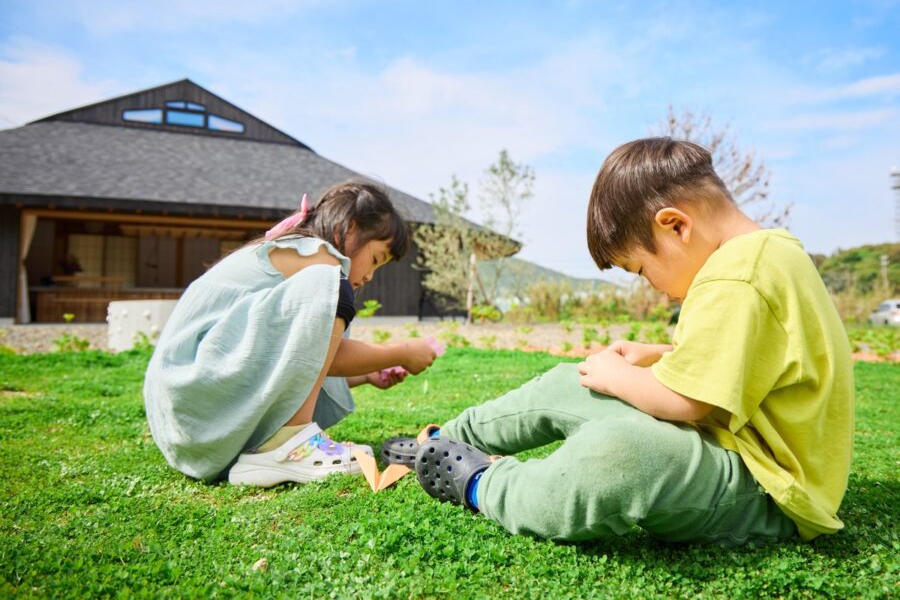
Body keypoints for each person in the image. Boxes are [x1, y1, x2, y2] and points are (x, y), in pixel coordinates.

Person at [406, 137, 853, 546]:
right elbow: (756, 359)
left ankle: (481, 482)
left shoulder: (736, 276)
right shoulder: (761, 255)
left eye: (641, 270)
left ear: (675, 225)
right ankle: (444, 439)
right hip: (734, 442)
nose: (652, 286)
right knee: (579, 379)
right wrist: (658, 355)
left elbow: (688, 402)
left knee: (620, 455)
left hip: (768, 488)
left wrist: (621, 377)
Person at [144, 181, 438, 486]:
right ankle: (290, 443)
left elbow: (301, 359)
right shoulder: (319, 258)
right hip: (195, 397)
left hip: (191, 423)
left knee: (331, 289)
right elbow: (331, 356)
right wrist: (402, 351)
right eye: (375, 259)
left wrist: (367, 375)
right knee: (334, 286)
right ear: (350, 228)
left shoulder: (294, 254)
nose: (368, 276)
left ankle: (280, 446)